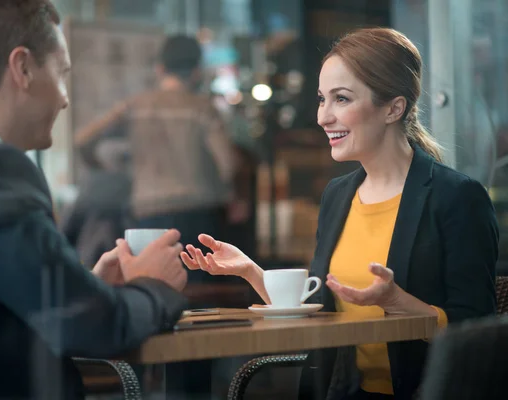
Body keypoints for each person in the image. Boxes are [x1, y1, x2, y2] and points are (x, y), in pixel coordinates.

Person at [181, 28, 499, 400]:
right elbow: (323, 309)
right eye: (321, 99)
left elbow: (478, 334)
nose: (323, 117)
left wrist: (399, 304)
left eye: (341, 99)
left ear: (394, 108)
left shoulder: (457, 198)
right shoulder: (338, 195)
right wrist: (250, 271)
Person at [0, 1, 188, 399]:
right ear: (22, 68)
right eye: (62, 74)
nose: (64, 99)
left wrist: (85, 288)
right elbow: (92, 329)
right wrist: (152, 285)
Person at [74, 34, 238, 285]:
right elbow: (228, 164)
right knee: (202, 296)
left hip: (148, 215)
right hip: (199, 214)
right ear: (196, 72)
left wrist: (106, 168)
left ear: (160, 68)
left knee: (154, 288)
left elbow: (84, 141)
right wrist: (228, 192)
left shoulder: (135, 106)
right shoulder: (203, 108)